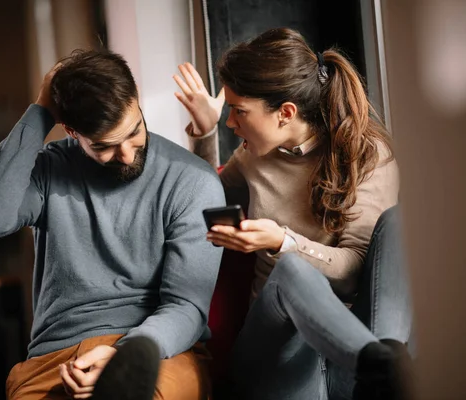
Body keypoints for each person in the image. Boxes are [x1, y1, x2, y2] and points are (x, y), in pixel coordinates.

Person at [0, 49, 226, 400]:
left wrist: (123, 356)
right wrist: (40, 110)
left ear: (137, 99)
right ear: (71, 131)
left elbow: (187, 306)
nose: (127, 154)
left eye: (133, 132)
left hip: (155, 351)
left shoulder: (193, 182)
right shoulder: (49, 170)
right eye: (104, 146)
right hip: (55, 359)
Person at [174, 28, 411, 399]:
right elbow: (202, 202)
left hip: (351, 350)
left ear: (285, 113)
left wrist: (283, 240)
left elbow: (352, 273)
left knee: (399, 224)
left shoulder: (368, 156)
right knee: (290, 270)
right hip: (276, 357)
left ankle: (386, 363)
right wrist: (204, 133)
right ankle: (381, 368)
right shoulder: (252, 156)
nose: (230, 123)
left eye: (239, 111)